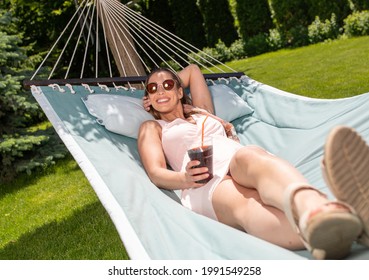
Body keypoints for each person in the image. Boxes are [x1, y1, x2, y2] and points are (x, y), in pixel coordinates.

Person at [137, 64, 369, 259]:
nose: (160, 91)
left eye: (168, 85)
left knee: (256, 158)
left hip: (234, 155)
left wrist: (186, 103)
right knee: (247, 204)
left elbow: (194, 71)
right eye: (152, 89)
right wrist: (184, 178)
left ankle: (317, 211)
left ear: (179, 91)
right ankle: (336, 231)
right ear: (148, 97)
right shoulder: (152, 127)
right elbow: (155, 172)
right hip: (202, 180)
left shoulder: (202, 112)